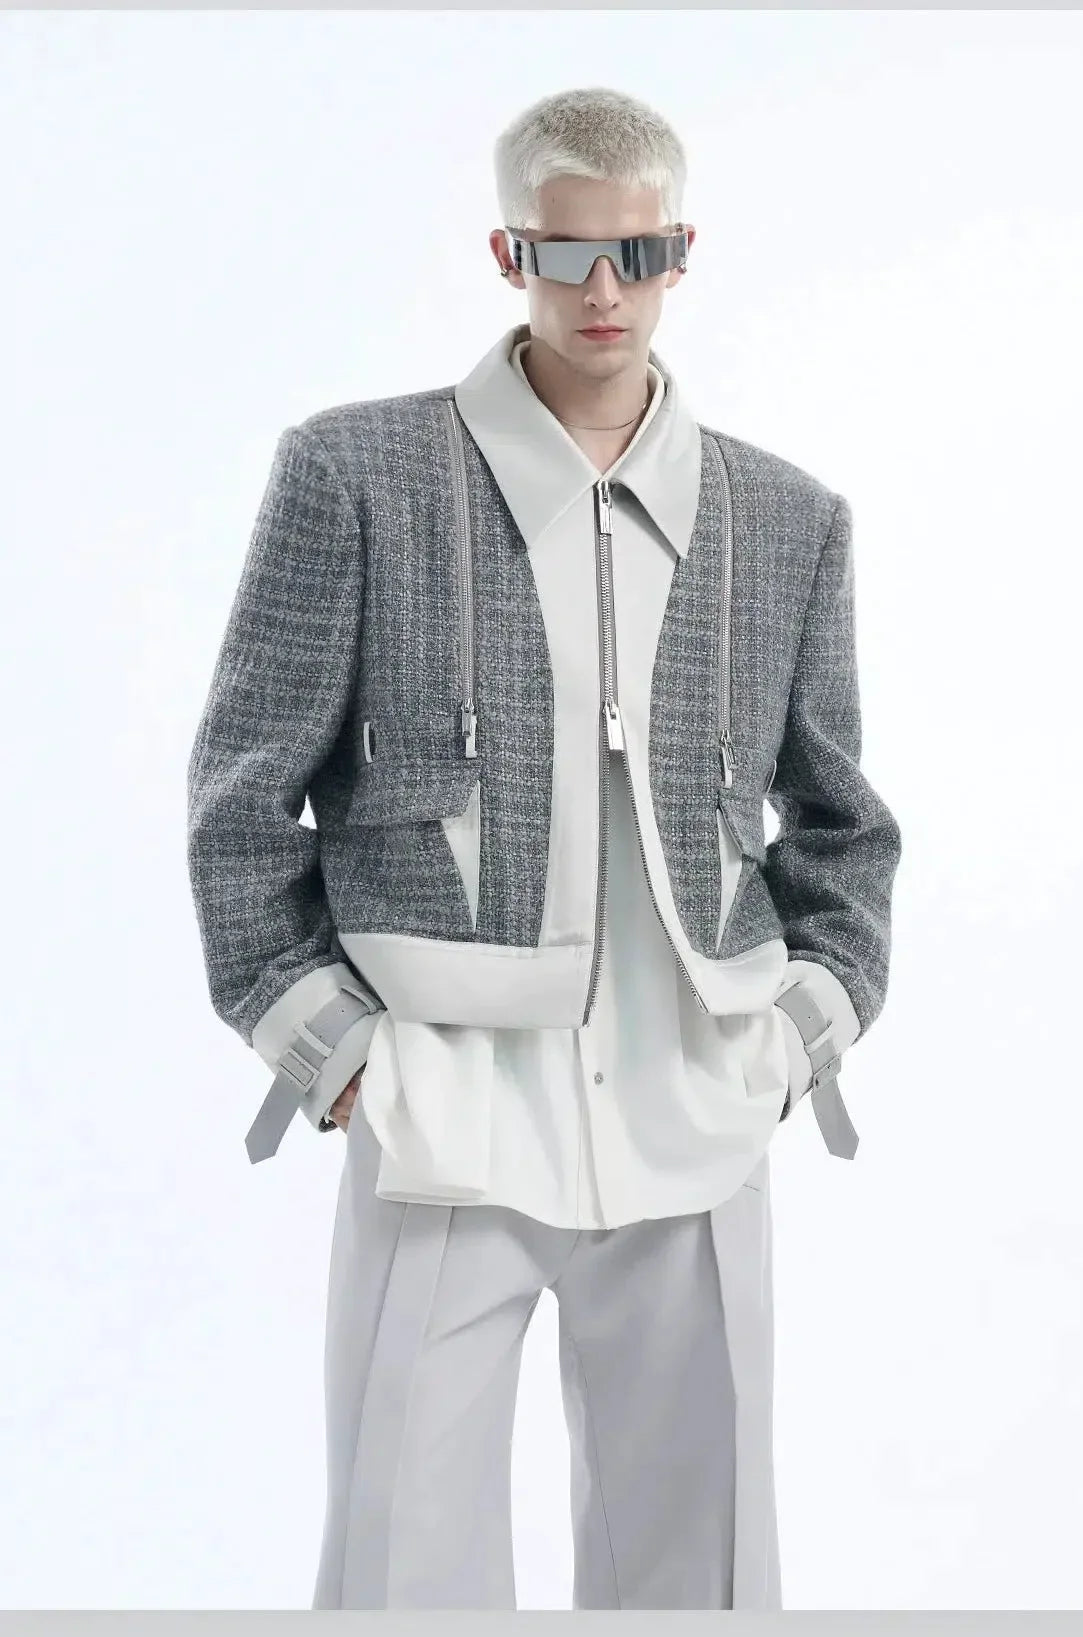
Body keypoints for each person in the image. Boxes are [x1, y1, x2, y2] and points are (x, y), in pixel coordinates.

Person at [186, 85, 902, 1611]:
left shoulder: (788, 520)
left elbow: (845, 826)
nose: (604, 291)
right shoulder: (356, 476)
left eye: (639, 253)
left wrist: (792, 1039)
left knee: (702, 1576)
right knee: (401, 1569)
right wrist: (336, 1051)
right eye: (567, 253)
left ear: (681, 252)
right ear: (510, 249)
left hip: (699, 1103)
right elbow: (241, 798)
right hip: (443, 1106)